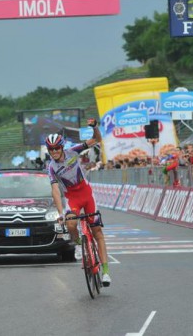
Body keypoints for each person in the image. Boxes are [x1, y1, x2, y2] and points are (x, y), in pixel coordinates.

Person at [46, 119, 111, 287]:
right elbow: (55, 191)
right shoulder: (51, 167)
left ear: (61, 147)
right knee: (71, 223)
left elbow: (97, 140)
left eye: (56, 148)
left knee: (97, 232)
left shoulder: (73, 151)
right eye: (50, 149)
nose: (53, 152)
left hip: (86, 193)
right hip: (72, 198)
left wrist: (95, 127)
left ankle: (105, 272)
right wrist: (60, 213)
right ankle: (77, 244)